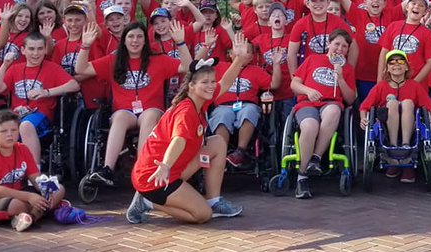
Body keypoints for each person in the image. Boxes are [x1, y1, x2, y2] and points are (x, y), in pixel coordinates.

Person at [126, 47, 253, 224]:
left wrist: (239, 59)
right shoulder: (186, 111)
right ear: (191, 86)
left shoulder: (199, 100)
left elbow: (225, 83)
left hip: (171, 169)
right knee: (203, 215)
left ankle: (214, 201)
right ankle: (148, 202)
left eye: (212, 81)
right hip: (155, 175)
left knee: (217, 143)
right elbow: (178, 140)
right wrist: (165, 165)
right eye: (205, 82)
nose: (211, 86)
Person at [78, 20, 187, 188]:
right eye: (131, 37)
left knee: (149, 115)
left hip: (151, 109)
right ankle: (107, 169)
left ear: (145, 41)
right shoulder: (113, 61)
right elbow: (81, 69)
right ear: (124, 40)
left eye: (139, 37)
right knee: (120, 117)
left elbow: (186, 67)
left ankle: (142, 167)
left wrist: (180, 43)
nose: (135, 40)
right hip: (125, 111)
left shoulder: (159, 60)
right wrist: (85, 46)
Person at [0, 109, 66, 231]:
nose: (10, 134)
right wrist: (29, 197)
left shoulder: (22, 149)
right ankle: (42, 211)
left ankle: (30, 218)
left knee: (58, 189)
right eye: (3, 131)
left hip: (16, 194)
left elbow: (35, 178)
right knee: (17, 205)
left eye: (14, 130)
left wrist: (46, 190)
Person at [0, 32, 80, 164]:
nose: (36, 53)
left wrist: (46, 92)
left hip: (41, 116)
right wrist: (5, 65)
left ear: (45, 50)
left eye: (40, 49)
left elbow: (74, 85)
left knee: (25, 126)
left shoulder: (52, 68)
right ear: (23, 50)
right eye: (31, 49)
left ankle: (34, 170)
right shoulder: (15, 69)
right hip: (17, 115)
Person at [289, 30, 356, 199]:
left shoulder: (347, 68)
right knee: (310, 126)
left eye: (344, 46)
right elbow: (294, 84)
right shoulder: (313, 59)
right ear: (328, 44)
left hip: (330, 104)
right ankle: (302, 175)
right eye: (336, 44)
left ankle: (316, 158)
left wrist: (341, 78)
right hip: (307, 103)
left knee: (333, 110)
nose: (339, 49)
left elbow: (350, 99)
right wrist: (308, 90)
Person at [357, 49, 431, 183]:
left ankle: (406, 147)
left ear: (406, 67)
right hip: (386, 126)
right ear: (387, 68)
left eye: (400, 61)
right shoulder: (381, 86)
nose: (396, 64)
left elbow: (430, 106)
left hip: (411, 125)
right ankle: (393, 147)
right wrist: (363, 118)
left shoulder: (414, 85)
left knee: (407, 103)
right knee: (392, 103)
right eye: (392, 62)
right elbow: (364, 106)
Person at [211, 38, 282, 169]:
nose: (242, 53)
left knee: (249, 111)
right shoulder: (219, 67)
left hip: (247, 104)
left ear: (251, 57)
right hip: (224, 105)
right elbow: (197, 70)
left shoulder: (256, 71)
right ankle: (220, 153)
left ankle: (240, 151)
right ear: (230, 54)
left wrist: (276, 64)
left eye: (247, 51)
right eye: (238, 49)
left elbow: (275, 84)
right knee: (222, 115)